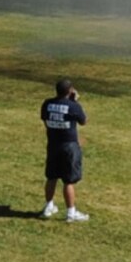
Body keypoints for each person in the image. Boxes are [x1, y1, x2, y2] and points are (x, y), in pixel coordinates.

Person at [40, 77, 89, 222]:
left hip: (53, 144)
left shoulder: (47, 104)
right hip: (69, 146)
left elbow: (45, 121)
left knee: (52, 177)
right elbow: (84, 121)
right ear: (70, 91)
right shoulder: (73, 106)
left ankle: (48, 206)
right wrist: (75, 102)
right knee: (69, 180)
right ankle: (71, 213)